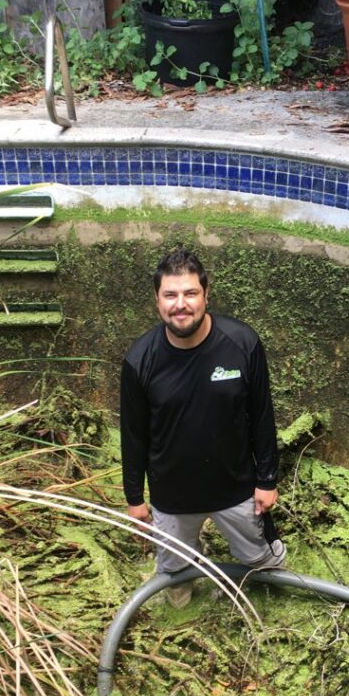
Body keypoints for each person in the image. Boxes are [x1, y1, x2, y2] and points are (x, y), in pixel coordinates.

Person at [119, 248, 286, 607]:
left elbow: (261, 415)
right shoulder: (139, 361)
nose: (181, 304)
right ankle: (184, 593)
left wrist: (267, 480)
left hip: (237, 490)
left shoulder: (242, 343)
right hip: (172, 498)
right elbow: (133, 436)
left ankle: (269, 592)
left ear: (206, 295)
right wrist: (135, 499)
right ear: (157, 300)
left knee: (264, 563)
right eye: (171, 295)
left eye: (190, 293)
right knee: (175, 581)